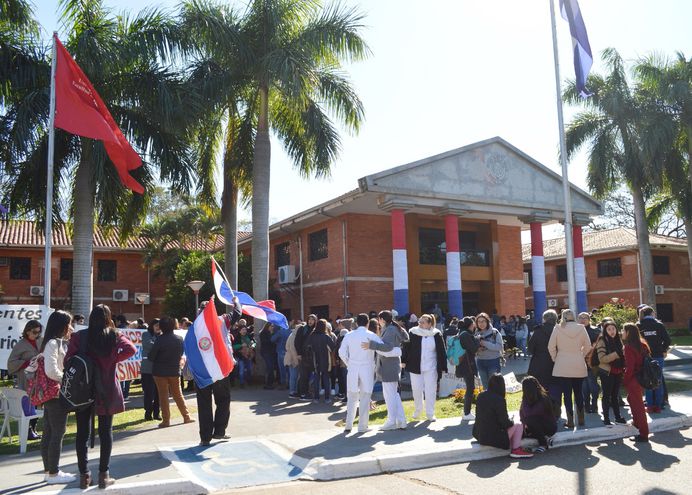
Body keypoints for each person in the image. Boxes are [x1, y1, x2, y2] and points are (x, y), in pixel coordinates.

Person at [67, 304, 136, 489]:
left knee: (82, 433)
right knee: (106, 432)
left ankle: (84, 475)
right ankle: (104, 475)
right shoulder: (114, 335)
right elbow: (131, 350)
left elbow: (68, 360)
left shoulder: (79, 336)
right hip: (107, 389)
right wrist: (113, 359)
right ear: (108, 318)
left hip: (83, 390)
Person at [39, 311, 75, 484]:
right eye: (69, 323)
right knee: (57, 433)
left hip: (51, 394)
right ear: (62, 325)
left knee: (49, 432)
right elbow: (51, 371)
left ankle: (48, 471)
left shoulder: (52, 342)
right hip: (56, 394)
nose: (71, 327)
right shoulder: (53, 344)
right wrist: (67, 378)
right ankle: (53, 473)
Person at [364, 311, 409, 429]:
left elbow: (388, 347)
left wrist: (371, 345)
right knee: (394, 395)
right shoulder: (392, 328)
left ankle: (392, 421)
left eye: (379, 319)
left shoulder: (390, 330)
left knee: (390, 395)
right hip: (391, 366)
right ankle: (401, 420)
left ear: (381, 319)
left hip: (389, 366)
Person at [338, 313, 383, 433]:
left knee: (352, 396)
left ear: (357, 323)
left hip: (353, 367)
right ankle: (362, 426)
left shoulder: (349, 335)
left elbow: (341, 352)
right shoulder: (371, 335)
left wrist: (349, 363)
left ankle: (348, 424)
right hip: (367, 368)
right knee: (365, 396)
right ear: (368, 323)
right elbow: (381, 347)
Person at [148, 316, 194, 428]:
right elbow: (181, 353)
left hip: (159, 372)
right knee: (178, 394)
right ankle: (186, 416)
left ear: (161, 327)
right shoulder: (179, 339)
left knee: (163, 396)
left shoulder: (159, 339)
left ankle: (166, 421)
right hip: (174, 370)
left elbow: (151, 357)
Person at [548, 309, 591, 428]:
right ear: (574, 316)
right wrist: (581, 355)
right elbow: (588, 345)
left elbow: (551, 346)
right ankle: (581, 419)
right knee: (578, 393)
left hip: (562, 363)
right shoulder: (581, 328)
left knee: (566, 394)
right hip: (578, 362)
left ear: (562, 316)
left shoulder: (557, 328)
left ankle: (570, 420)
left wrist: (555, 358)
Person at [473, 373, 533, 458]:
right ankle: (516, 449)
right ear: (502, 385)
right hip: (492, 438)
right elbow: (505, 423)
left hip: (479, 434)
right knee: (518, 425)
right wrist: (511, 421)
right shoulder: (499, 400)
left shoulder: (480, 396)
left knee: (510, 425)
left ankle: (516, 447)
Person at [402, 314, 446, 422]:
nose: (420, 324)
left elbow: (441, 351)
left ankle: (430, 413)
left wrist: (443, 366)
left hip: (431, 367)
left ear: (430, 324)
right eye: (419, 322)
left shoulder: (436, 334)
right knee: (416, 389)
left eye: (423, 322)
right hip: (415, 366)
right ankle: (418, 409)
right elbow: (406, 347)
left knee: (430, 390)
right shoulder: (413, 332)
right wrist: (403, 360)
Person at [7, 319, 43, 440]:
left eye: (39, 332)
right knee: (28, 405)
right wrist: (27, 363)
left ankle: (33, 429)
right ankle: (27, 432)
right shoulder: (20, 345)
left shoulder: (40, 341)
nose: (36, 334)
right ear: (27, 331)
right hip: (26, 380)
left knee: (38, 404)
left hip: (39, 379)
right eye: (34, 332)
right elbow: (11, 363)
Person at [638, 306, 671, 413]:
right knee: (658, 379)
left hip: (644, 357)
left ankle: (650, 404)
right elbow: (667, 340)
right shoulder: (658, 325)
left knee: (647, 379)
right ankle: (659, 404)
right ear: (652, 313)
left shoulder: (639, 325)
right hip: (658, 356)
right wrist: (663, 349)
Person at [622, 322, 650, 442]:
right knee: (631, 400)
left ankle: (643, 433)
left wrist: (625, 381)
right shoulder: (643, 344)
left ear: (628, 333)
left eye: (623, 331)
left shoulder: (628, 347)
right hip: (642, 378)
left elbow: (630, 368)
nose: (621, 333)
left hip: (634, 379)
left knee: (638, 407)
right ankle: (637, 423)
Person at [595, 319, 626, 426]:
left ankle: (618, 417)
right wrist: (616, 354)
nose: (612, 331)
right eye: (609, 329)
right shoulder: (602, 341)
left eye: (613, 329)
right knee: (606, 395)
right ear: (605, 330)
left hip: (617, 371)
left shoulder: (618, 340)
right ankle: (606, 418)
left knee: (615, 395)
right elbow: (602, 359)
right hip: (606, 372)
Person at [528, 309, 559, 417]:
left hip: (539, 365)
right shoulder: (559, 330)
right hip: (556, 364)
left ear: (544, 319)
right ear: (556, 319)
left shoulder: (538, 331)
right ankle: (555, 412)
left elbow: (530, 349)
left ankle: (541, 412)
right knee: (555, 389)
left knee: (540, 390)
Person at [519, 376, 557, 453]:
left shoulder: (543, 398)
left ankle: (543, 444)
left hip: (549, 427)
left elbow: (529, 413)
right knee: (520, 432)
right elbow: (522, 414)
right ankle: (546, 438)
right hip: (535, 427)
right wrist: (523, 424)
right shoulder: (526, 398)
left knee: (530, 420)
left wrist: (525, 420)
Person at [455, 317, 479, 421]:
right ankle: (467, 412)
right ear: (470, 324)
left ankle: (466, 411)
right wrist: (478, 340)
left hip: (464, 364)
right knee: (470, 388)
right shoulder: (465, 335)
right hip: (467, 365)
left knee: (470, 387)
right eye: (474, 323)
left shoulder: (462, 333)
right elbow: (473, 349)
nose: (475, 325)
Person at [307, 319, 337, 403]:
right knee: (326, 379)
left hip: (315, 360)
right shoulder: (326, 336)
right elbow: (333, 347)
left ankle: (316, 398)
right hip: (325, 360)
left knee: (316, 379)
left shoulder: (312, 335)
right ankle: (327, 398)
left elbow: (308, 347)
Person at [579, 312, 601, 414]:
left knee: (592, 384)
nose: (583, 320)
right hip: (580, 362)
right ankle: (586, 405)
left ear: (589, 319)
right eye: (580, 318)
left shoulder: (595, 330)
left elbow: (599, 344)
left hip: (593, 361)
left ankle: (594, 403)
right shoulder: (577, 331)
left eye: (585, 318)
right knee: (584, 386)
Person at [474, 313, 503, 390]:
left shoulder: (495, 332)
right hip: (480, 362)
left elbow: (499, 347)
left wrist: (485, 343)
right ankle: (487, 401)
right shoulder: (476, 333)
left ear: (487, 321)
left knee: (494, 384)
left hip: (493, 361)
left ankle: (496, 401)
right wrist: (477, 349)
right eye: (479, 322)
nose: (481, 323)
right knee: (485, 385)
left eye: (483, 321)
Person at [141, 318, 161, 421]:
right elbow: (148, 345)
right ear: (152, 325)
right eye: (156, 325)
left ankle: (157, 413)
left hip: (159, 369)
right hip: (147, 369)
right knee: (149, 392)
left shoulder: (162, 336)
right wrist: (160, 345)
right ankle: (148, 413)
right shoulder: (146, 334)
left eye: (160, 325)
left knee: (159, 393)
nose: (158, 327)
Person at [295, 315, 317, 399]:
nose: (310, 321)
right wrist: (299, 354)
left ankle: (302, 392)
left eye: (312, 320)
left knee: (306, 375)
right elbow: (297, 342)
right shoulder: (302, 329)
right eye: (309, 319)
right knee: (304, 375)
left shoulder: (315, 330)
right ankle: (303, 393)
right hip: (303, 355)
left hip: (311, 356)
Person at [271, 323, 291, 389]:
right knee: (289, 369)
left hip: (281, 351)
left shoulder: (280, 332)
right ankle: (290, 383)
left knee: (282, 369)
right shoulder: (290, 331)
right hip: (289, 352)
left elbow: (272, 339)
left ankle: (283, 384)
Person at [259, 324, 279, 389]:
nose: (272, 328)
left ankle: (271, 382)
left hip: (272, 352)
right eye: (271, 326)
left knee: (271, 367)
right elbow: (265, 342)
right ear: (268, 326)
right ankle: (268, 384)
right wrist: (271, 337)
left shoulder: (273, 333)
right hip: (266, 352)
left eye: (273, 326)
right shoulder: (263, 333)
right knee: (270, 367)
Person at [284, 324, 301, 398]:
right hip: (292, 359)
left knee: (293, 376)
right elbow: (293, 350)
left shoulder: (292, 334)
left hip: (289, 357)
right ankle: (292, 392)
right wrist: (296, 361)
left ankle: (293, 391)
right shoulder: (294, 337)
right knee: (294, 376)